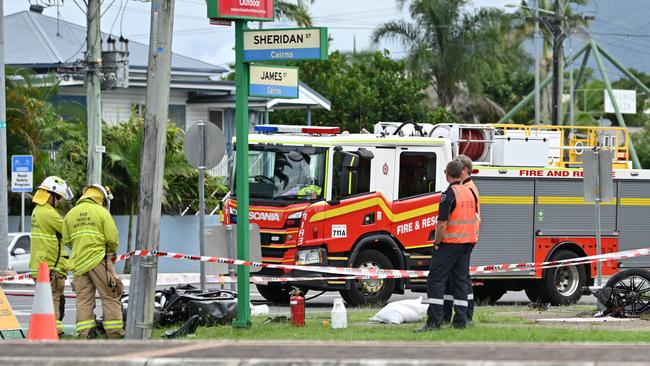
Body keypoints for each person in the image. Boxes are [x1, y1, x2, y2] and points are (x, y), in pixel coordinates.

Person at [416, 160, 478, 332]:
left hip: (449, 244)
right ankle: (460, 320)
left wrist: (436, 243)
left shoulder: (448, 195)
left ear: (447, 174)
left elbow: (442, 224)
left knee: (435, 281)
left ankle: (434, 322)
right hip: (466, 244)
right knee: (460, 283)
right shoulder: (469, 192)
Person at [62, 184, 124, 339]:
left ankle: (85, 333)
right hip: (99, 261)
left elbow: (67, 240)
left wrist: (80, 248)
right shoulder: (102, 212)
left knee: (83, 300)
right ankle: (114, 333)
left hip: (79, 263)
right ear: (100, 197)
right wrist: (111, 250)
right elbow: (112, 239)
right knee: (110, 296)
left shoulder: (70, 214)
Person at [29, 176, 74, 335]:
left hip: (40, 266)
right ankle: (55, 331)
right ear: (51, 195)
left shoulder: (37, 211)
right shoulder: (49, 213)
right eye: (59, 197)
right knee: (55, 299)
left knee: (44, 300)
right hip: (51, 267)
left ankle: (47, 330)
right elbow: (69, 233)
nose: (60, 201)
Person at [442, 155, 481, 324]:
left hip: (462, 239)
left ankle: (465, 315)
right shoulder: (468, 187)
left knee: (461, 280)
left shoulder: (467, 189)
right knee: (459, 279)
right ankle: (462, 314)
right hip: (466, 238)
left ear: (464, 169)